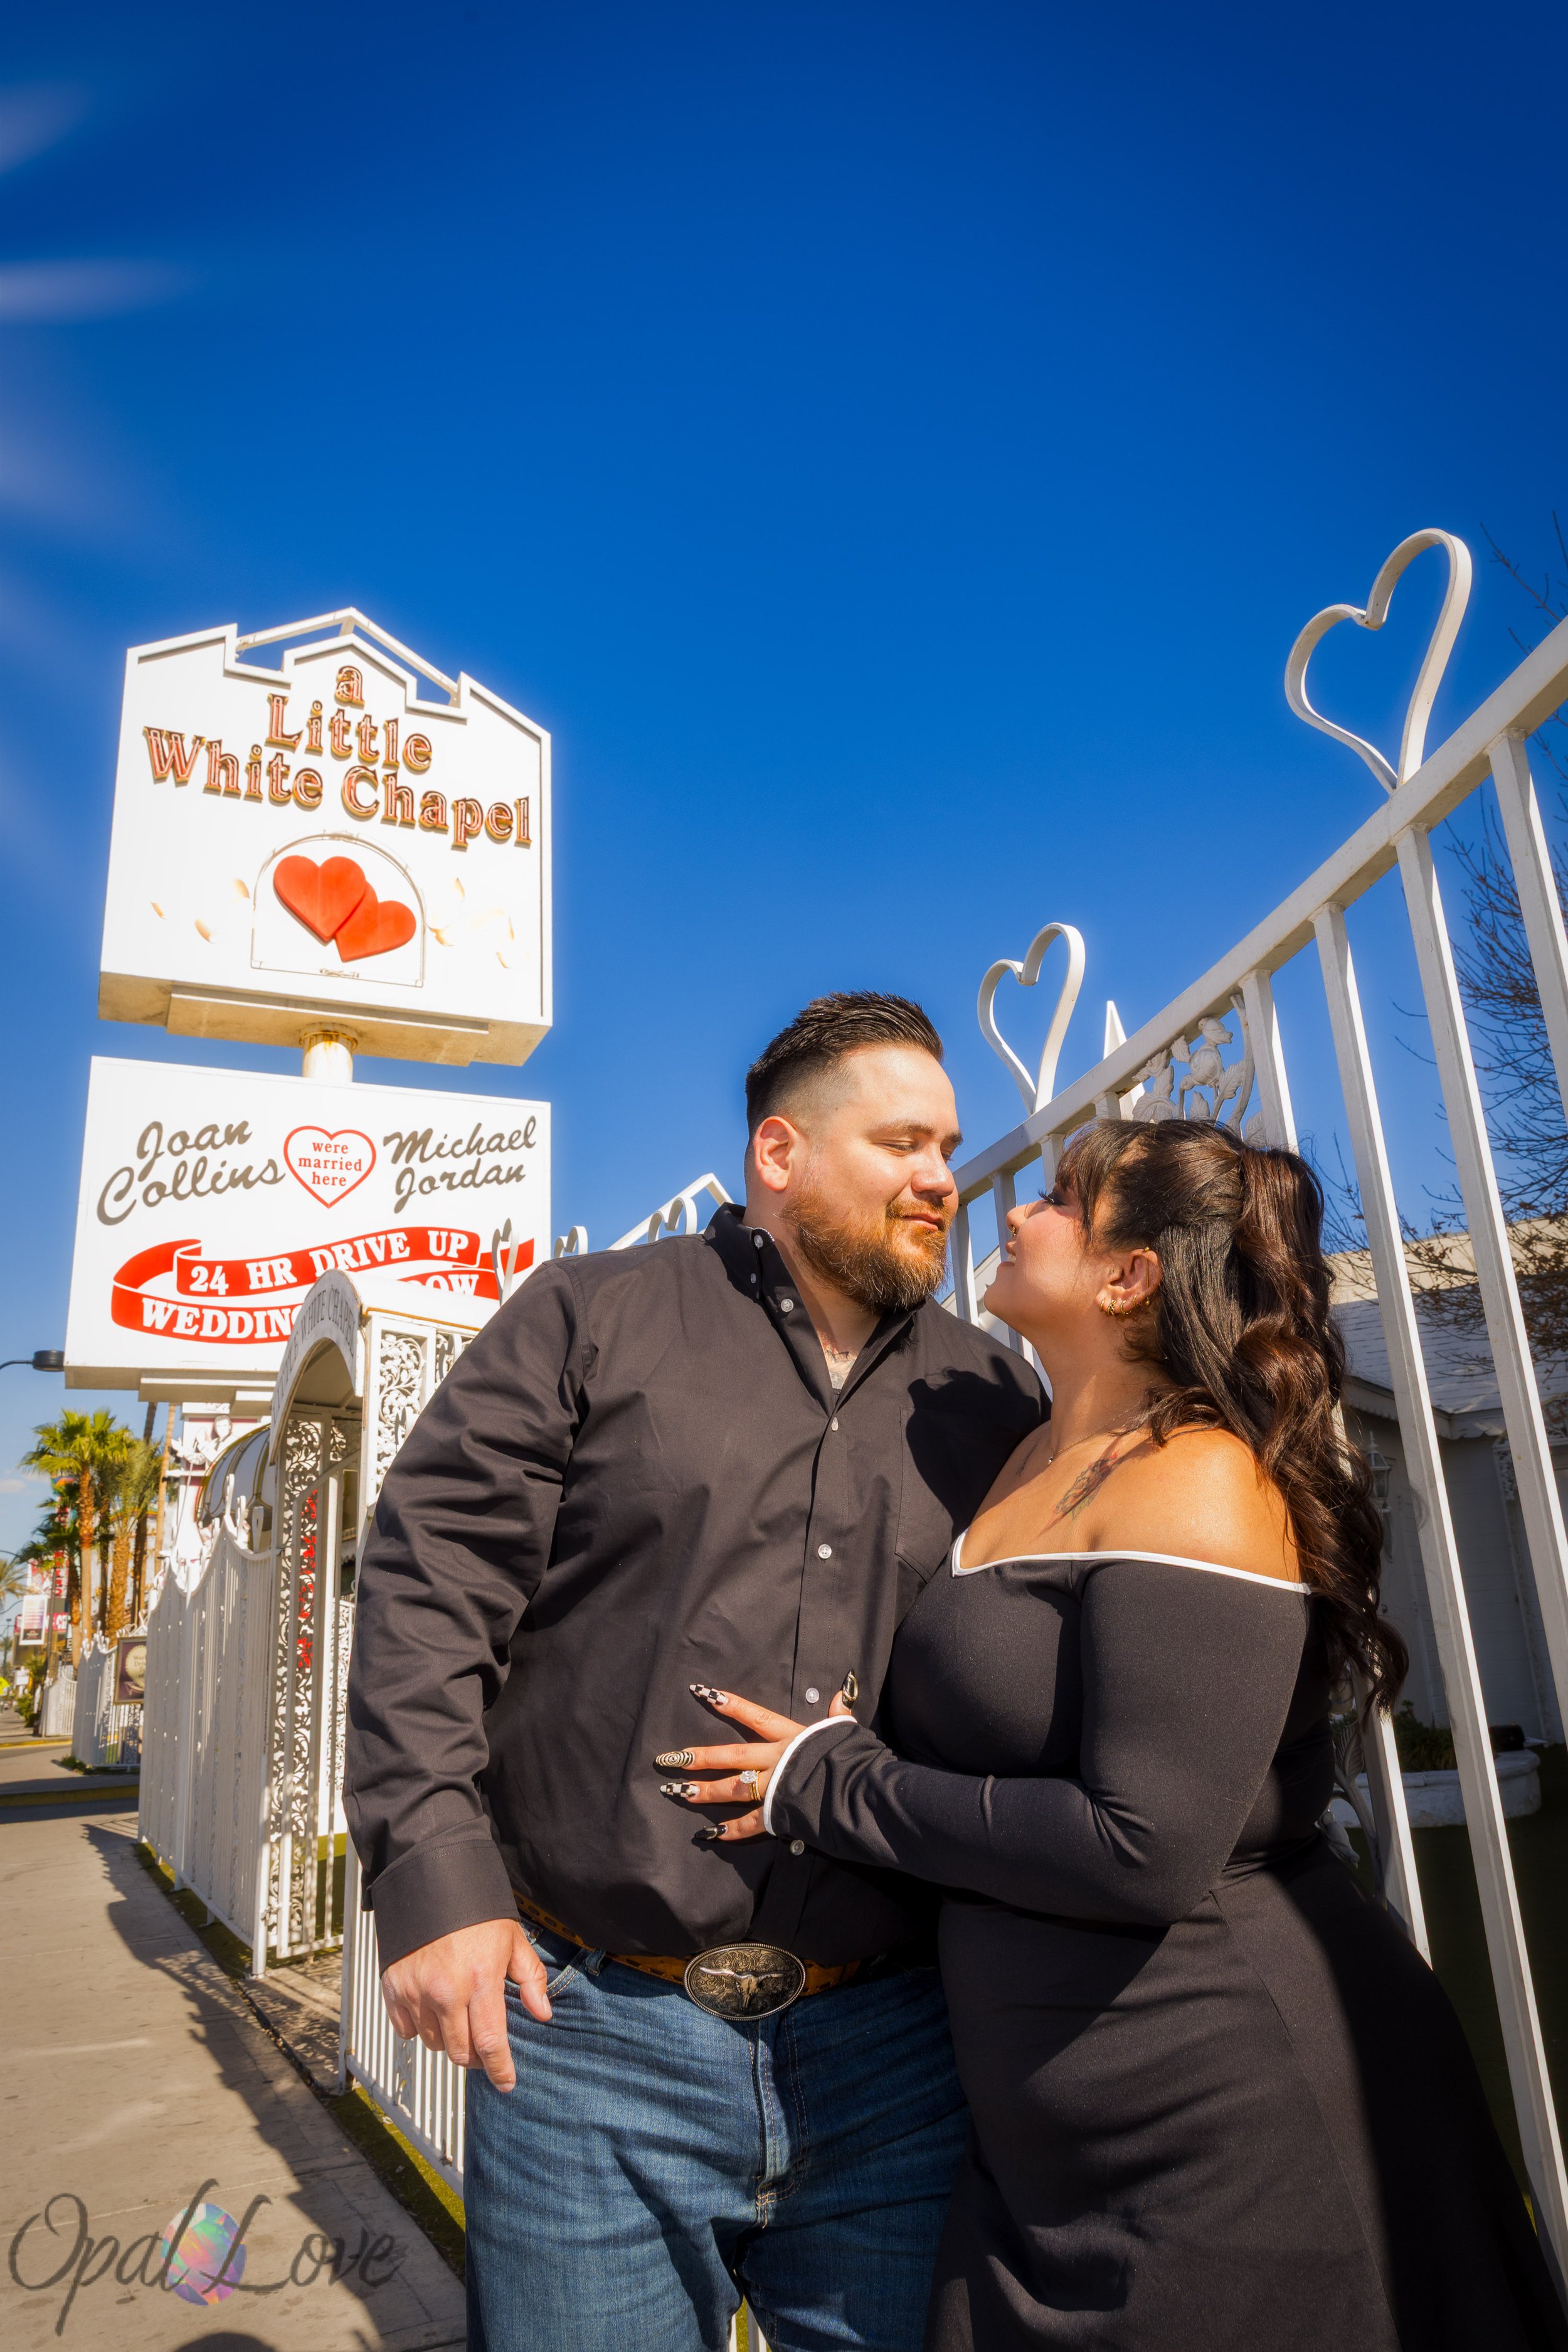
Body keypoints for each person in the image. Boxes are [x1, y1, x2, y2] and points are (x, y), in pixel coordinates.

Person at [668, 1117, 1568, 2351]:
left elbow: (1140, 1843)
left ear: (1124, 1274)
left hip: (1224, 2116)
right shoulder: (1025, 1457)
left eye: (1050, 1201)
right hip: (1039, 2141)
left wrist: (829, 1786)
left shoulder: (1194, 1475)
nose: (1010, 1213)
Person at [343, 992, 1045, 2352]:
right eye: (903, 1142)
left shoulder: (993, 1399)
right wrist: (431, 1877)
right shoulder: (587, 1319)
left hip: (896, 2051)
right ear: (777, 1156)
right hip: (591, 2040)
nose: (940, 1180)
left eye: (947, 1147)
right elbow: (430, 1587)